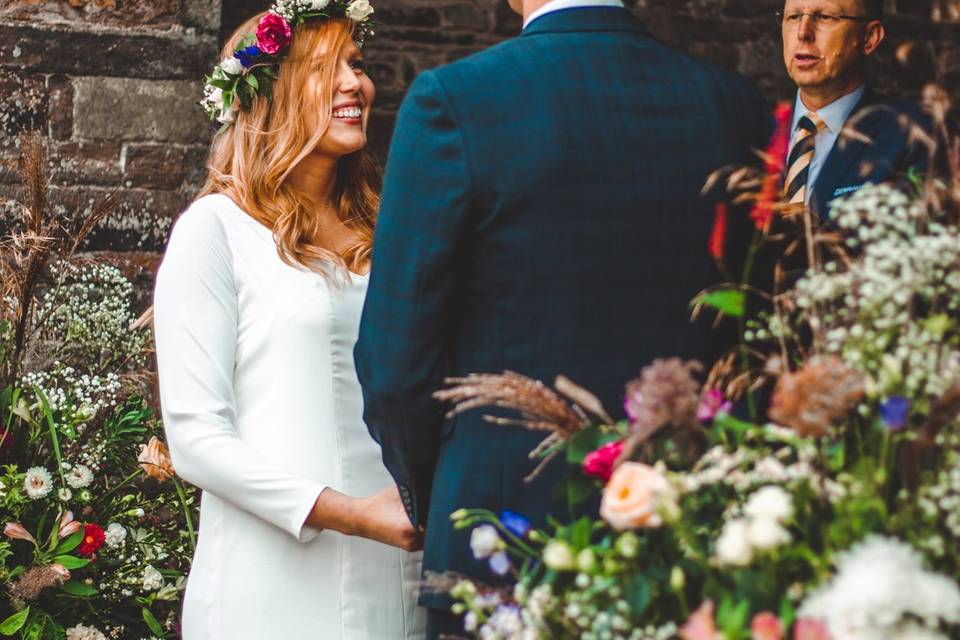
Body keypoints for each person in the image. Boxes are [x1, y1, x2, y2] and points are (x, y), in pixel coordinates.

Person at [354, 0, 769, 636]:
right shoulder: (735, 103)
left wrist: (436, 493)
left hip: (502, 549)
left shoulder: (456, 101)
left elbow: (395, 365)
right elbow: (755, 334)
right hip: (691, 542)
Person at [153, 3, 426, 638]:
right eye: (325, 68)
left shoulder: (392, 230)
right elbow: (196, 440)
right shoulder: (214, 231)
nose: (354, 84)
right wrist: (353, 514)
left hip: (395, 570)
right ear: (269, 92)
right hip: (269, 579)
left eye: (356, 65)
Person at [779, 0, 933, 217]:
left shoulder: (917, 137)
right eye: (794, 17)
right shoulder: (750, 130)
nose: (803, 33)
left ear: (869, 38)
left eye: (825, 17)